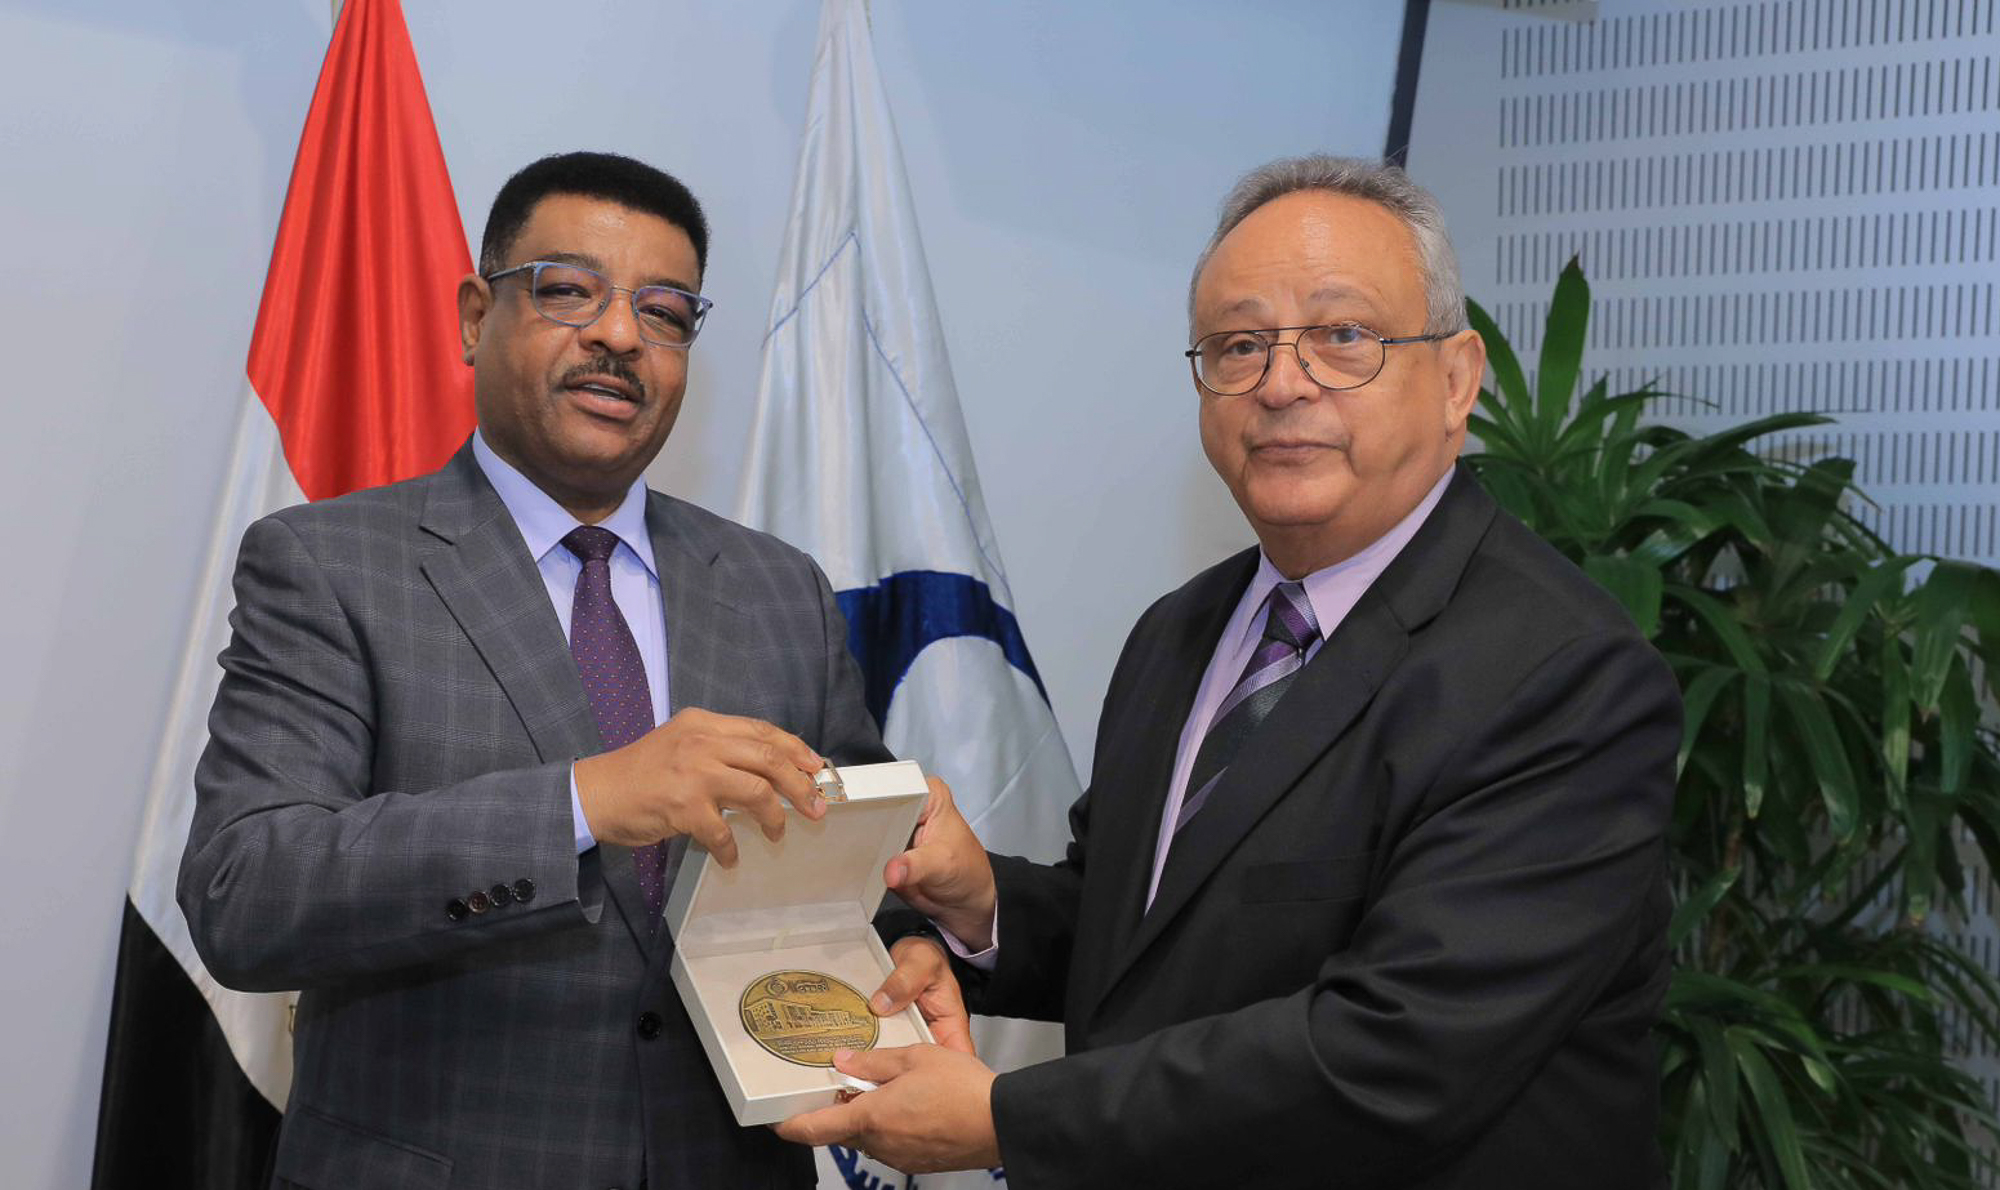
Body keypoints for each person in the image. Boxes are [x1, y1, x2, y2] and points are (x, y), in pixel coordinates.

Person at [779, 155, 1683, 1188]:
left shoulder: (1565, 674)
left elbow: (1399, 1052)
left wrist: (1007, 1118)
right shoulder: (1181, 630)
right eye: (1239, 345)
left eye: (1342, 335)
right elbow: (1154, 942)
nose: (1282, 383)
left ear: (1454, 379)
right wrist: (984, 906)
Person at [179, 151, 962, 1190]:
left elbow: (844, 863)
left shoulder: (780, 590)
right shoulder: (329, 565)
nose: (620, 336)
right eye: (568, 292)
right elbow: (245, 893)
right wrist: (584, 801)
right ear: (475, 316)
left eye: (664, 311)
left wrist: (903, 942)